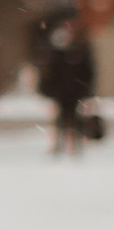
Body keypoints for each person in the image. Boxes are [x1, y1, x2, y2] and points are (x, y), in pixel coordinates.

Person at [40, 15, 96, 156]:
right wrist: (50, 86)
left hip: (76, 89)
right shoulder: (58, 49)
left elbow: (88, 71)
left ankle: (76, 144)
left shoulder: (82, 48)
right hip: (62, 89)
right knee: (61, 117)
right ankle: (61, 143)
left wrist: (86, 88)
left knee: (76, 117)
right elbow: (51, 70)